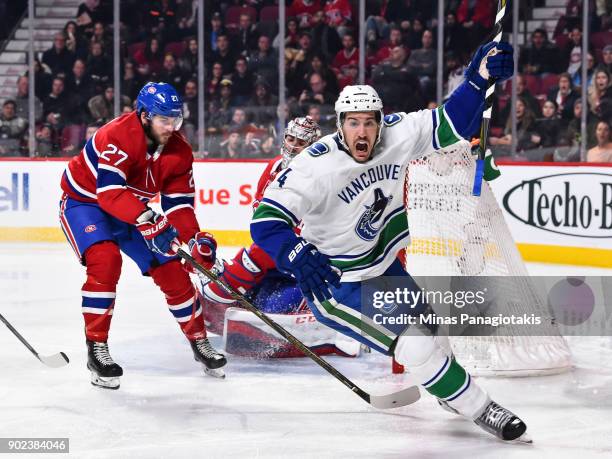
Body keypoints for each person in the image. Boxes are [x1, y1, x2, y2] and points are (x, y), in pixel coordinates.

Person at [250, 41, 530, 442]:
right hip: (338, 283)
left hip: (383, 266)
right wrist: (295, 253)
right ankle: (483, 408)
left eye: (369, 122)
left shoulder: (398, 134)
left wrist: (477, 78)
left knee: (431, 327)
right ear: (339, 124)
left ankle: (450, 393)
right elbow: (266, 220)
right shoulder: (314, 166)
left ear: (380, 122)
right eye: (353, 123)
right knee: (414, 346)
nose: (362, 131)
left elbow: (452, 121)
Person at [58, 82, 227, 389]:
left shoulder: (179, 151)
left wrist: (193, 242)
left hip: (131, 210)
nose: (171, 127)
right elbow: (109, 194)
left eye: (176, 119)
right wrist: (149, 220)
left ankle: (199, 340)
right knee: (105, 261)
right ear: (144, 115)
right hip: (86, 204)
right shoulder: (117, 135)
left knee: (172, 269)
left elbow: (179, 207)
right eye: (164, 119)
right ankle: (97, 348)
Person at [198, 116, 356, 357]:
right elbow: (260, 213)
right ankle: (226, 293)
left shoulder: (326, 177)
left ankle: (221, 290)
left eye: (300, 142)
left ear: (312, 147)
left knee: (272, 303)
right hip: (274, 264)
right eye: (290, 139)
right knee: (257, 294)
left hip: (304, 270)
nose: (293, 146)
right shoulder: (274, 167)